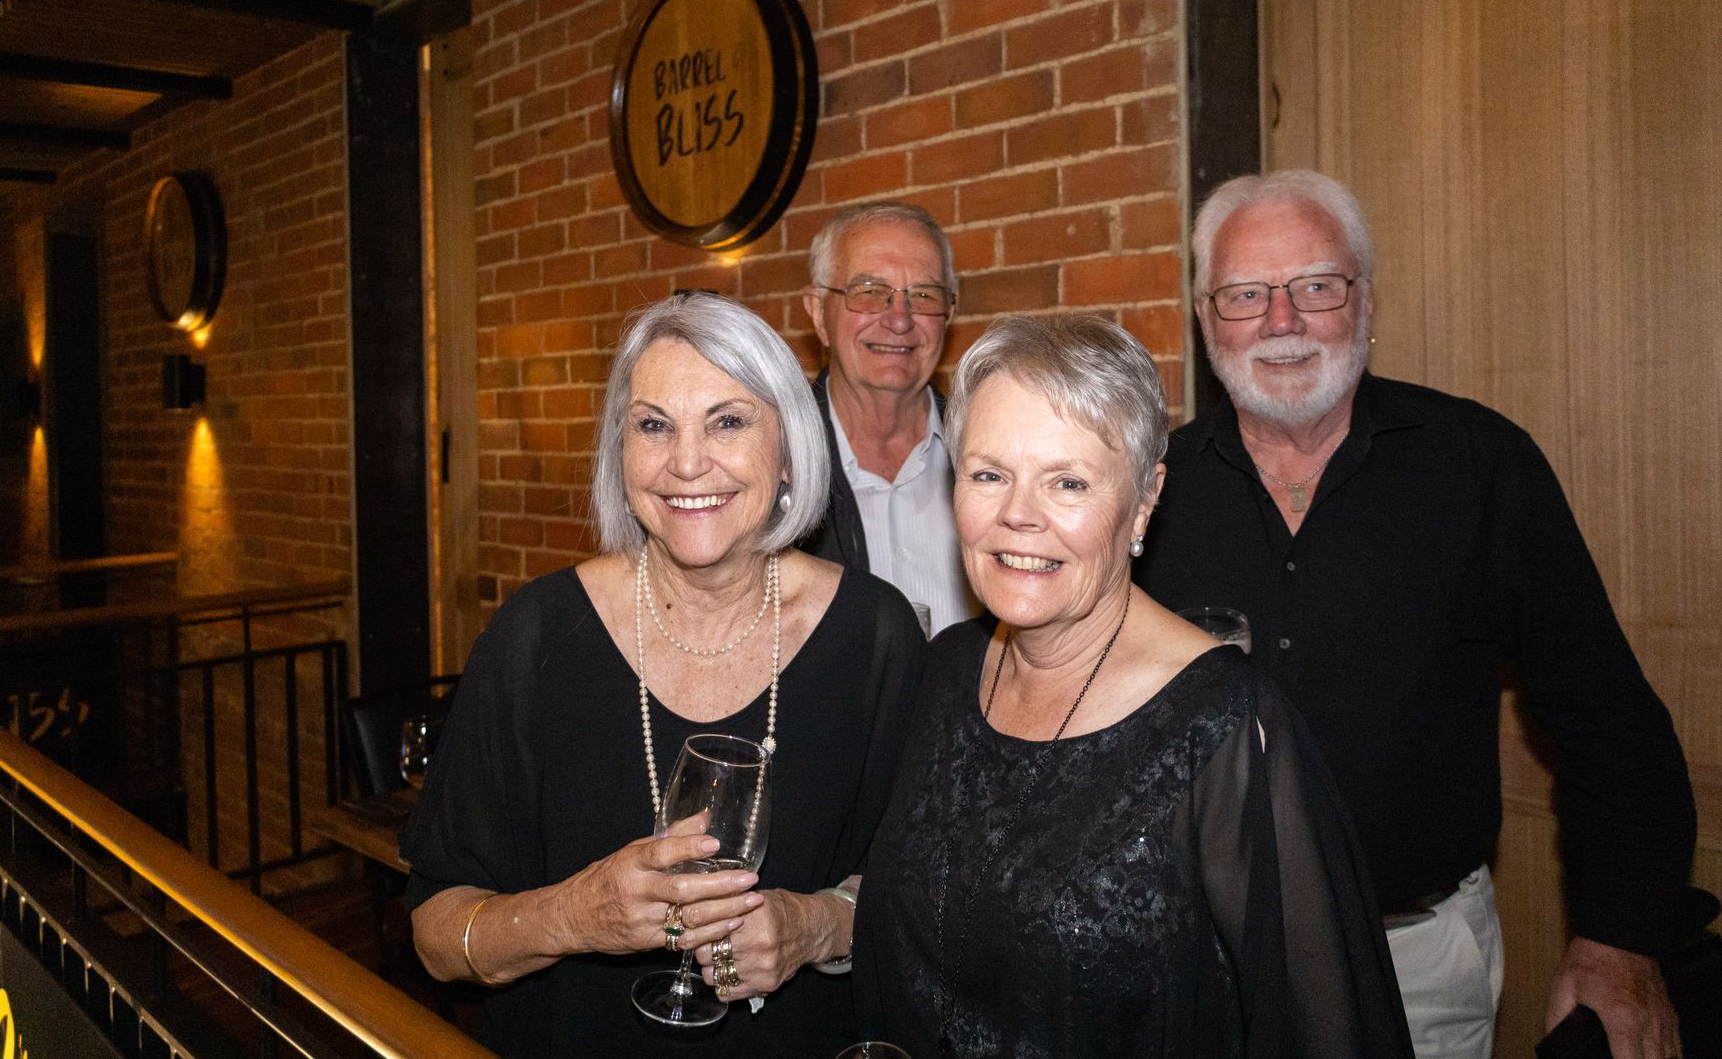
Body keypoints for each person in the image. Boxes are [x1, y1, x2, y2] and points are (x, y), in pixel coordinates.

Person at [1135, 170, 1697, 1059]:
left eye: (1316, 287)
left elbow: (1609, 718)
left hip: (1419, 967)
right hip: (1192, 960)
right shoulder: (1148, 492)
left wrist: (1620, 940)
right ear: (1208, 320)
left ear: (1364, 304)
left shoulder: (1480, 468)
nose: (1282, 322)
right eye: (1247, 295)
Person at [856, 313, 1412, 1059]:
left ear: (1144, 502)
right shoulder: (947, 671)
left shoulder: (1222, 728)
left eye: (1069, 482)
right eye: (990, 475)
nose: (1018, 515)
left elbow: (1329, 1034)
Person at [401, 291, 926, 1056]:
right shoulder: (537, 636)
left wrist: (815, 925)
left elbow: (920, 901)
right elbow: (435, 933)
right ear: (622, 449)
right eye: (654, 425)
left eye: (729, 421)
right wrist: (575, 915)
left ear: (788, 449)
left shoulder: (875, 637)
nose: (686, 463)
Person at [801, 202, 979, 634]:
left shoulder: (993, 459)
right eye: (868, 291)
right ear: (818, 312)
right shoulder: (773, 464)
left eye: (923, 295)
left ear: (948, 317)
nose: (899, 319)